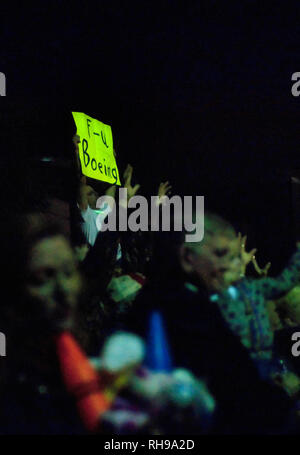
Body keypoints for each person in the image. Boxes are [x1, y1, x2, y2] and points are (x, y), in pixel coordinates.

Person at [123, 211, 296, 434]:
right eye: (221, 254)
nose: (231, 265)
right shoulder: (192, 312)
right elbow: (242, 400)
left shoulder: (155, 298)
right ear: (187, 257)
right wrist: (285, 393)